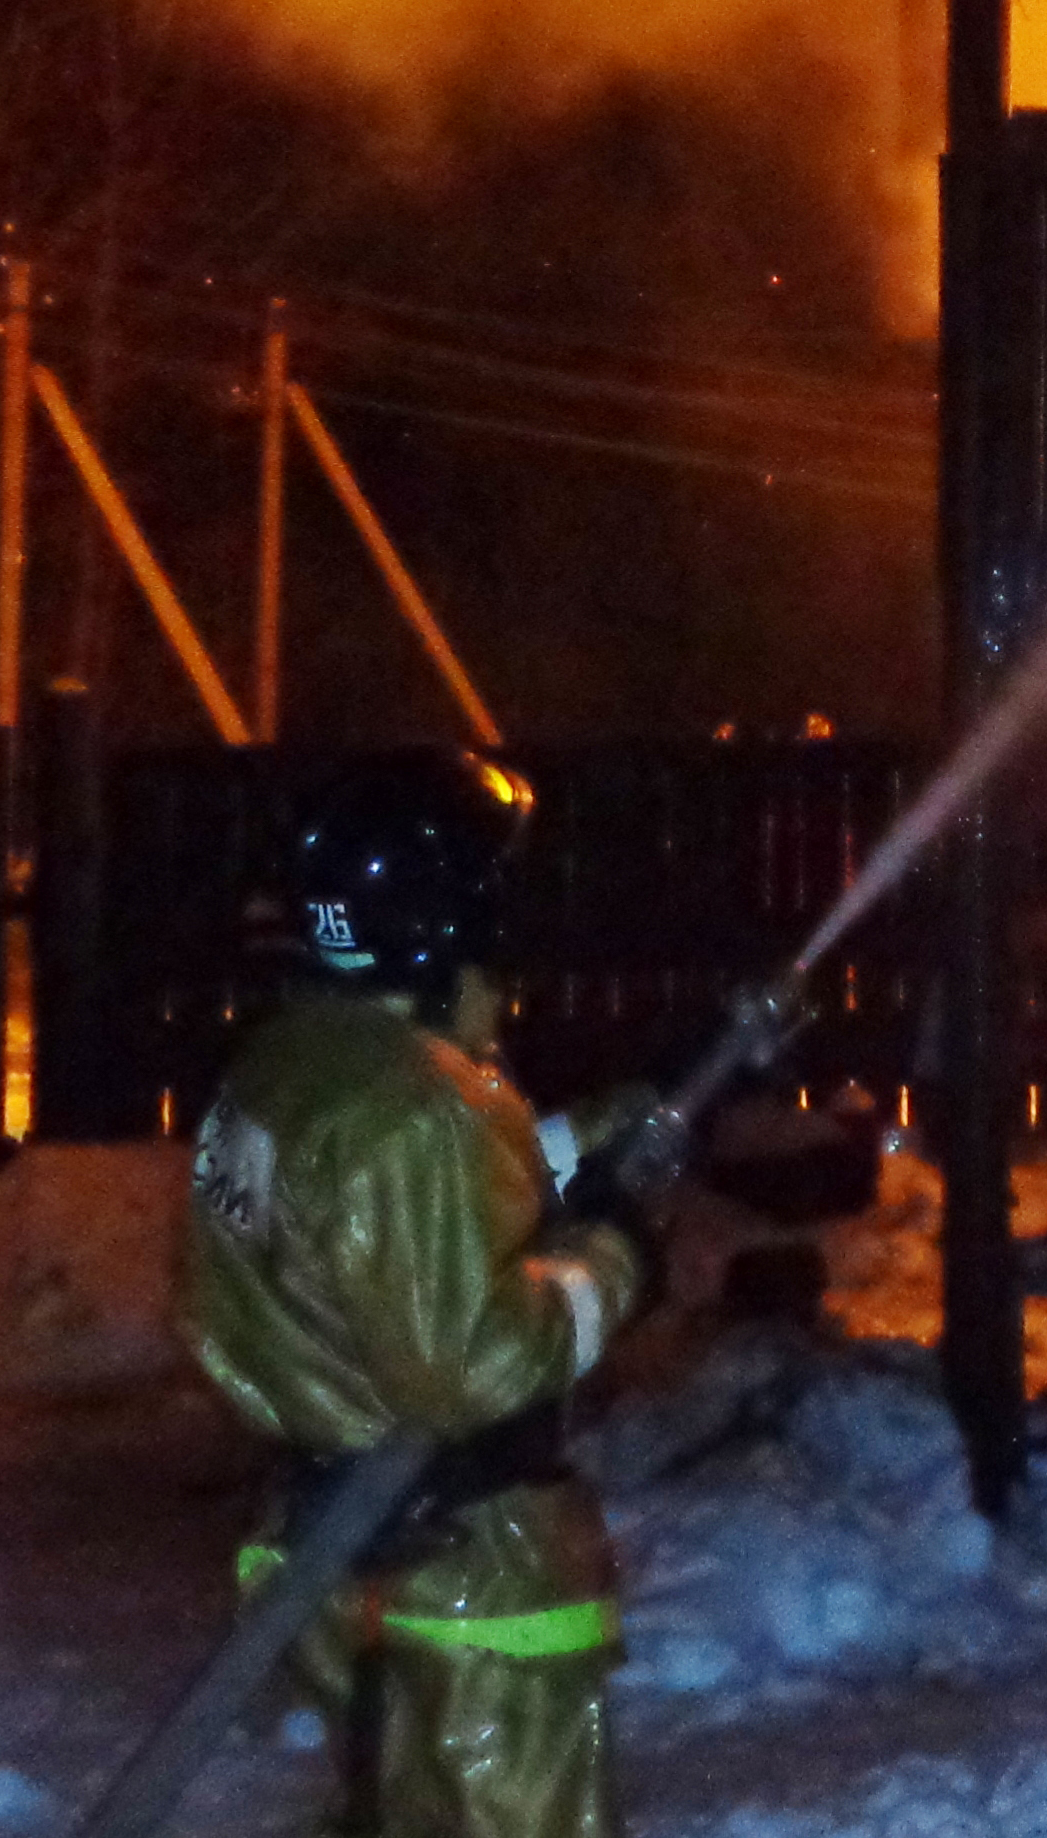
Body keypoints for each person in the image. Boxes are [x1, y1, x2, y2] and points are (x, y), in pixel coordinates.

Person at [179, 751, 656, 1838]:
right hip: (464, 1575)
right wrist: (615, 1255)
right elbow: (474, 1365)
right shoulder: (417, 1109)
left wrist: (595, 1137)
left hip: (331, 1540)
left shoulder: (290, 1069)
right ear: (451, 918)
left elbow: (383, 1225)